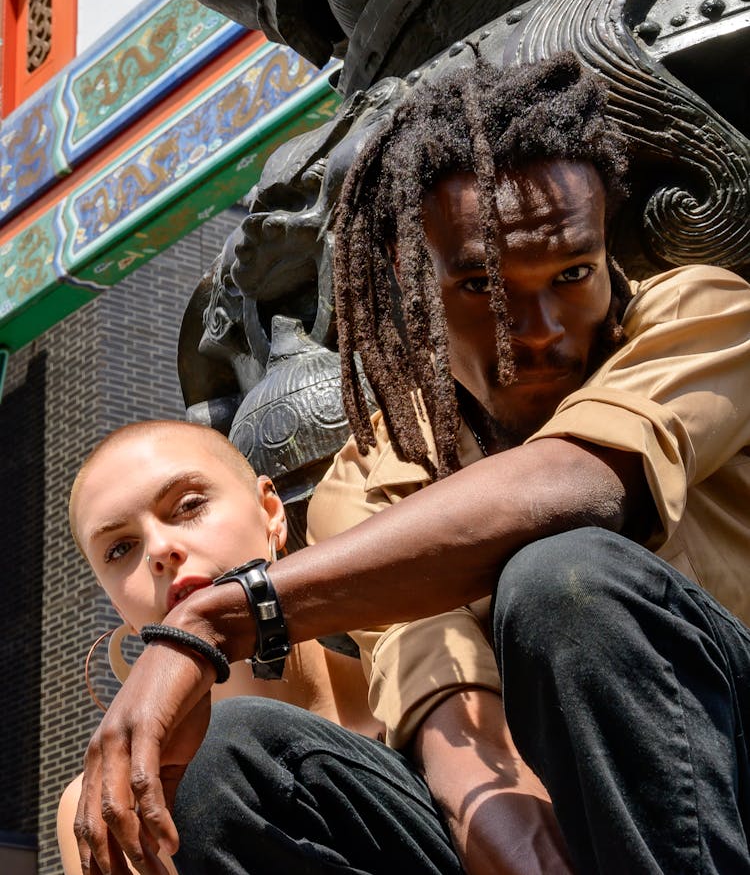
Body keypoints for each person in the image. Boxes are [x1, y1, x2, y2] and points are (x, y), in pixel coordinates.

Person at [73, 53, 750, 875]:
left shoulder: (703, 313)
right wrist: (496, 820)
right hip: (570, 826)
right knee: (237, 761)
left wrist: (218, 616)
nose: (533, 328)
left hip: (724, 776)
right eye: (479, 286)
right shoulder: (371, 474)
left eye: (572, 273)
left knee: (564, 576)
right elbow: (441, 689)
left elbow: (575, 484)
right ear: (411, 278)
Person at [59, 419, 386, 874]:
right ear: (116, 605)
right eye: (119, 550)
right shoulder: (104, 808)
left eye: (189, 505)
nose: (158, 549)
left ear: (270, 510)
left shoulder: (414, 689)